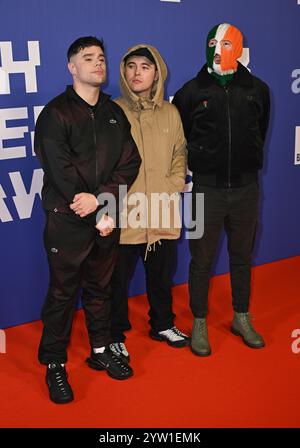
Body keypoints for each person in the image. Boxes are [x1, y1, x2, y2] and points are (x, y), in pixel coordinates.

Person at [34, 36, 141, 404]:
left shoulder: (115, 113)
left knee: (101, 289)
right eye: (88, 58)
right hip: (68, 218)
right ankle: (54, 365)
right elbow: (59, 168)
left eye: (101, 58)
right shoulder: (56, 113)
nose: (98, 63)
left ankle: (100, 350)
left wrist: (103, 202)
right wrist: (97, 208)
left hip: (105, 215)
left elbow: (131, 162)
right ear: (72, 67)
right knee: (63, 294)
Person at [173, 23, 270, 356]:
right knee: (201, 260)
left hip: (246, 190)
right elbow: (183, 135)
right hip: (206, 191)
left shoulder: (258, 89)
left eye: (226, 43)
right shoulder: (190, 91)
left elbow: (261, 130)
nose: (218, 48)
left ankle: (241, 317)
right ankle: (199, 321)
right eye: (213, 42)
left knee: (242, 257)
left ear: (239, 47)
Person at [109, 44, 190, 362]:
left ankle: (162, 324)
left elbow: (180, 153)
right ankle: (114, 334)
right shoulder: (111, 112)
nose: (137, 72)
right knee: (115, 279)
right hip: (124, 214)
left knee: (161, 275)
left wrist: (173, 185)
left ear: (157, 73)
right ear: (123, 72)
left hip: (162, 210)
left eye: (145, 66)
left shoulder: (171, 112)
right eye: (131, 66)